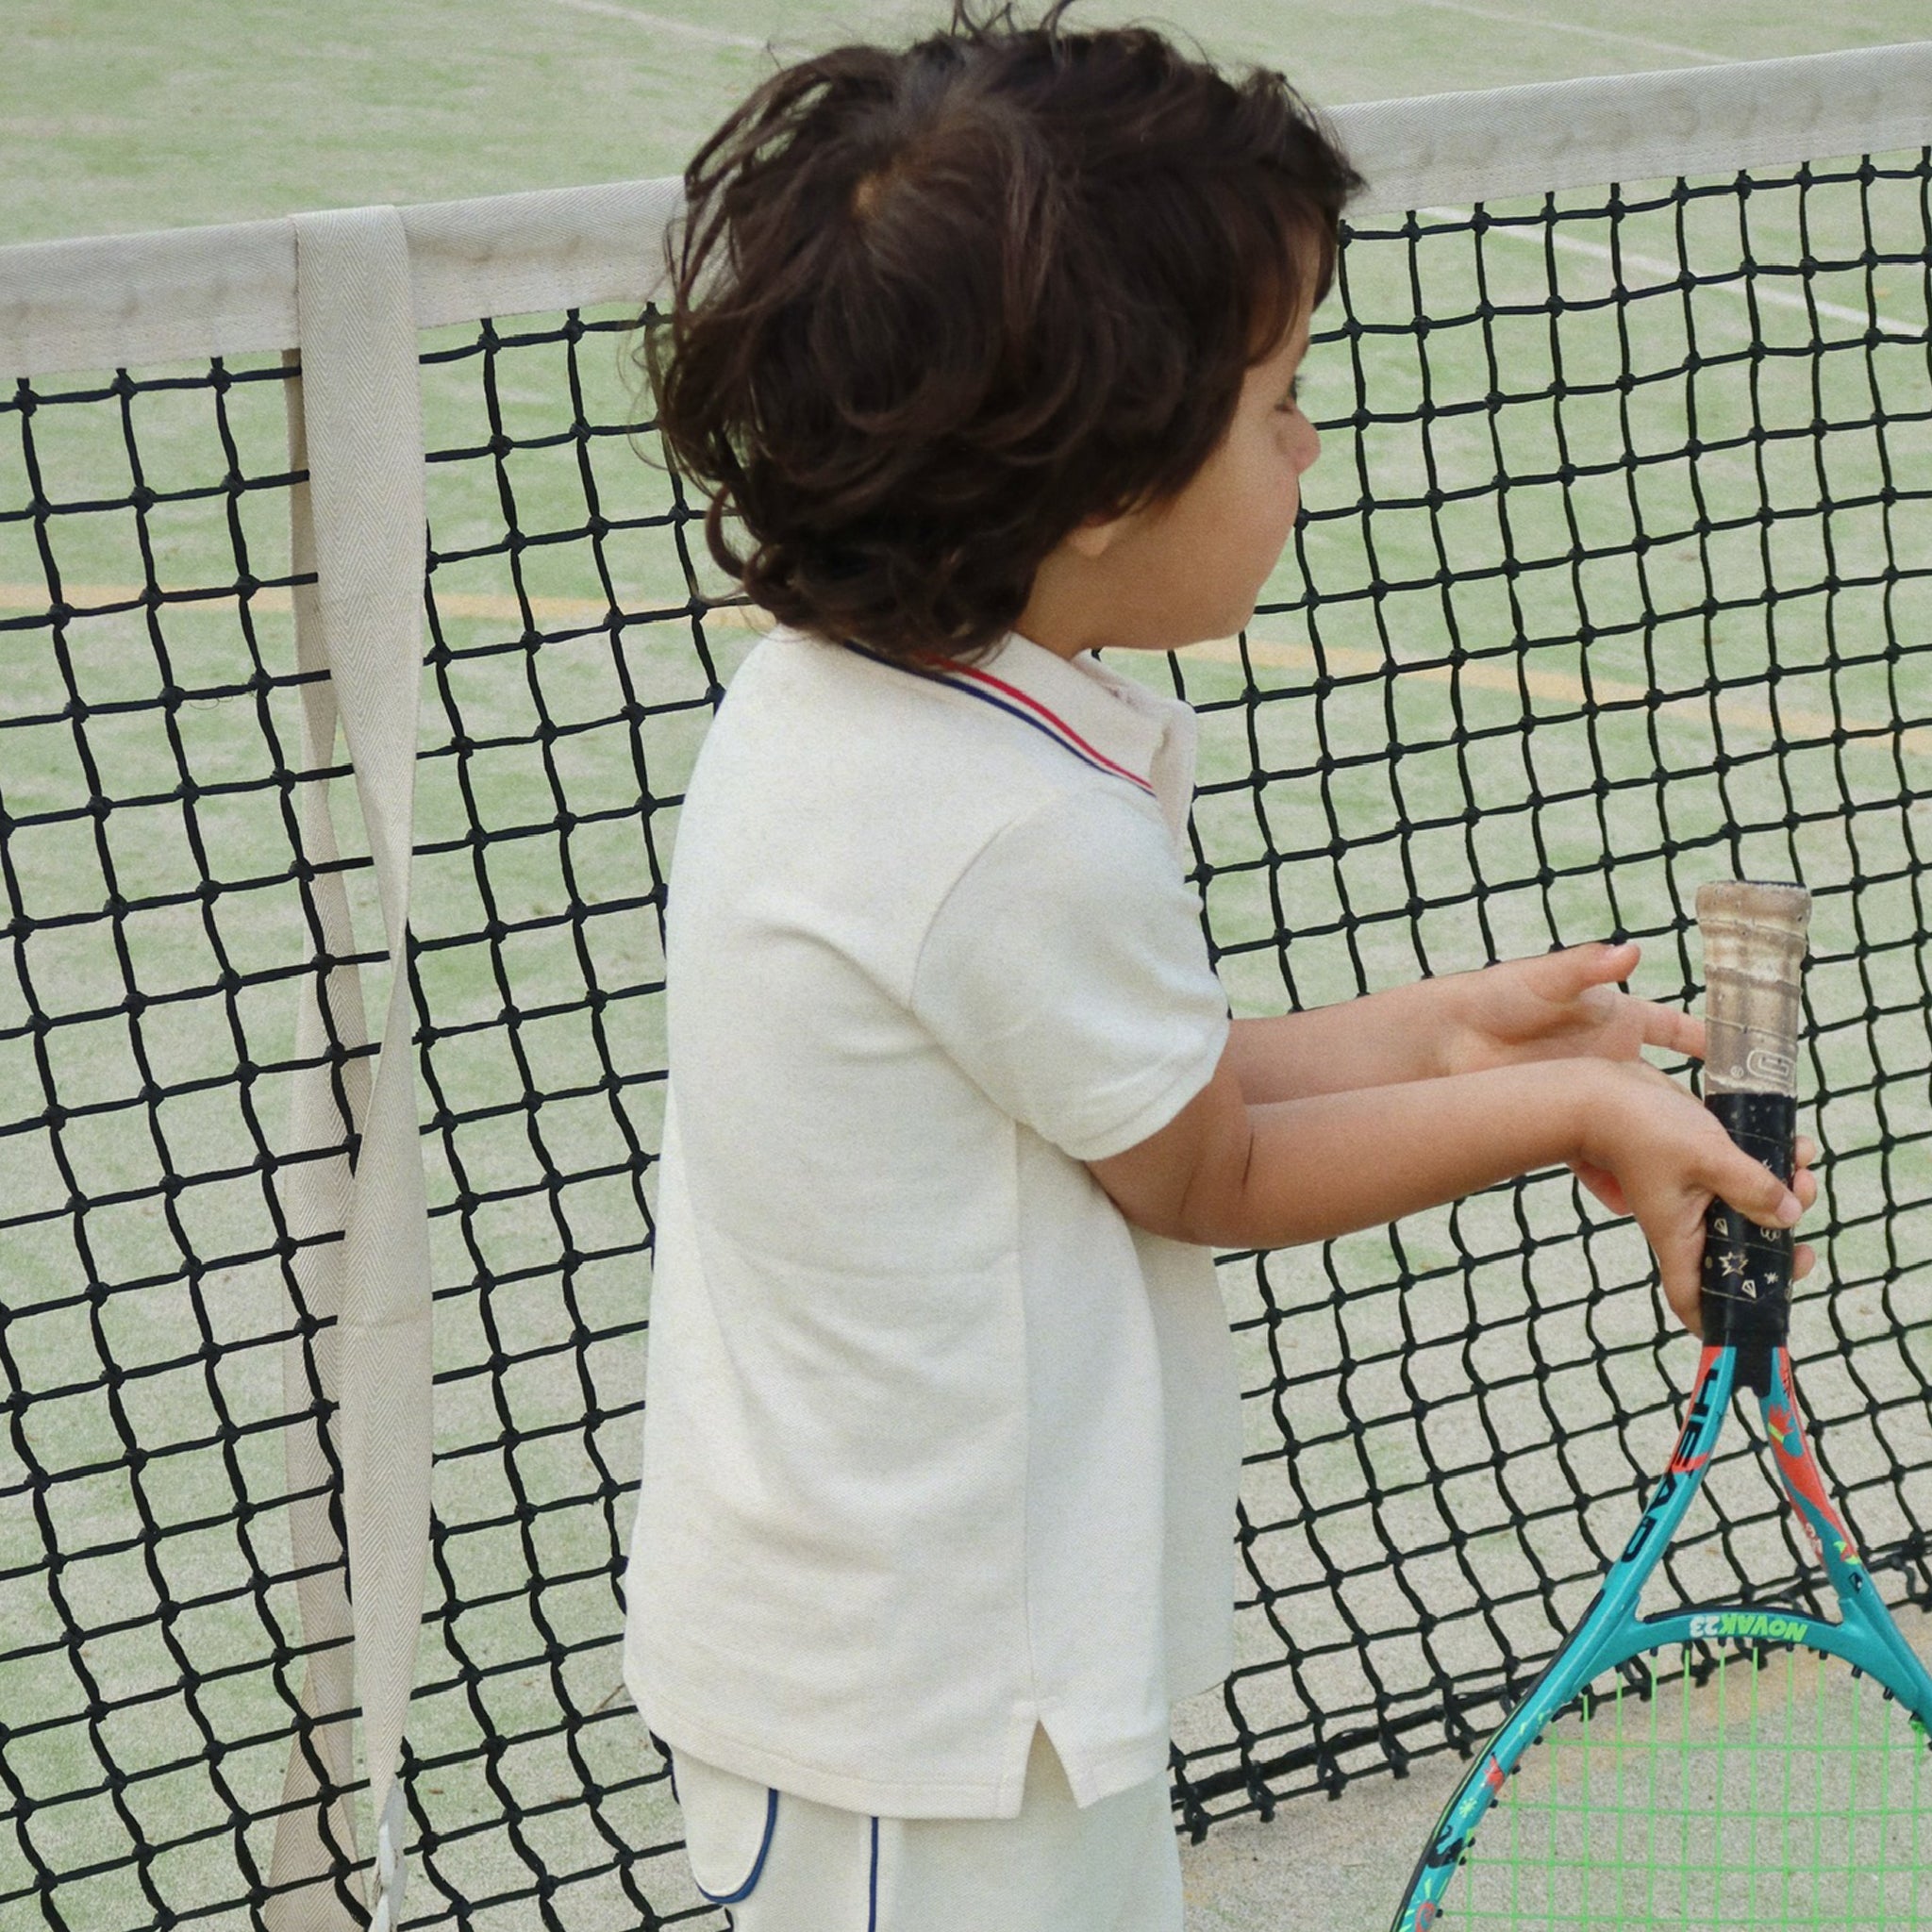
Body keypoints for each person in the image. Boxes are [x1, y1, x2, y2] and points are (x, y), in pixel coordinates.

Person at [621, 7, 1817, 1928]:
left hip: (914, 1682)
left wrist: (1440, 1033)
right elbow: (1203, 1172)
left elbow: (1124, 1089)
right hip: (924, 1728)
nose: (1306, 439)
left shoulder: (844, 706)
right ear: (1099, 492)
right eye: (1272, 401)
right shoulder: (1015, 827)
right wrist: (1566, 1102)